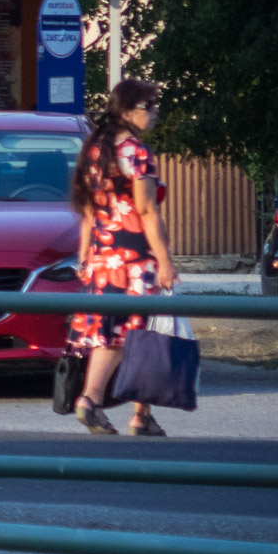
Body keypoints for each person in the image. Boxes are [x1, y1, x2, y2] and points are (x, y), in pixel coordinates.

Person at [68, 79, 179, 436]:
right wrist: (164, 260)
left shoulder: (96, 149)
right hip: (134, 256)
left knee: (112, 333)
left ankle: (92, 400)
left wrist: (85, 254)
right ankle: (137, 415)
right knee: (143, 332)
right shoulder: (136, 152)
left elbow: (87, 210)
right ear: (129, 109)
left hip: (103, 255)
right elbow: (146, 211)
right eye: (150, 106)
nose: (155, 113)